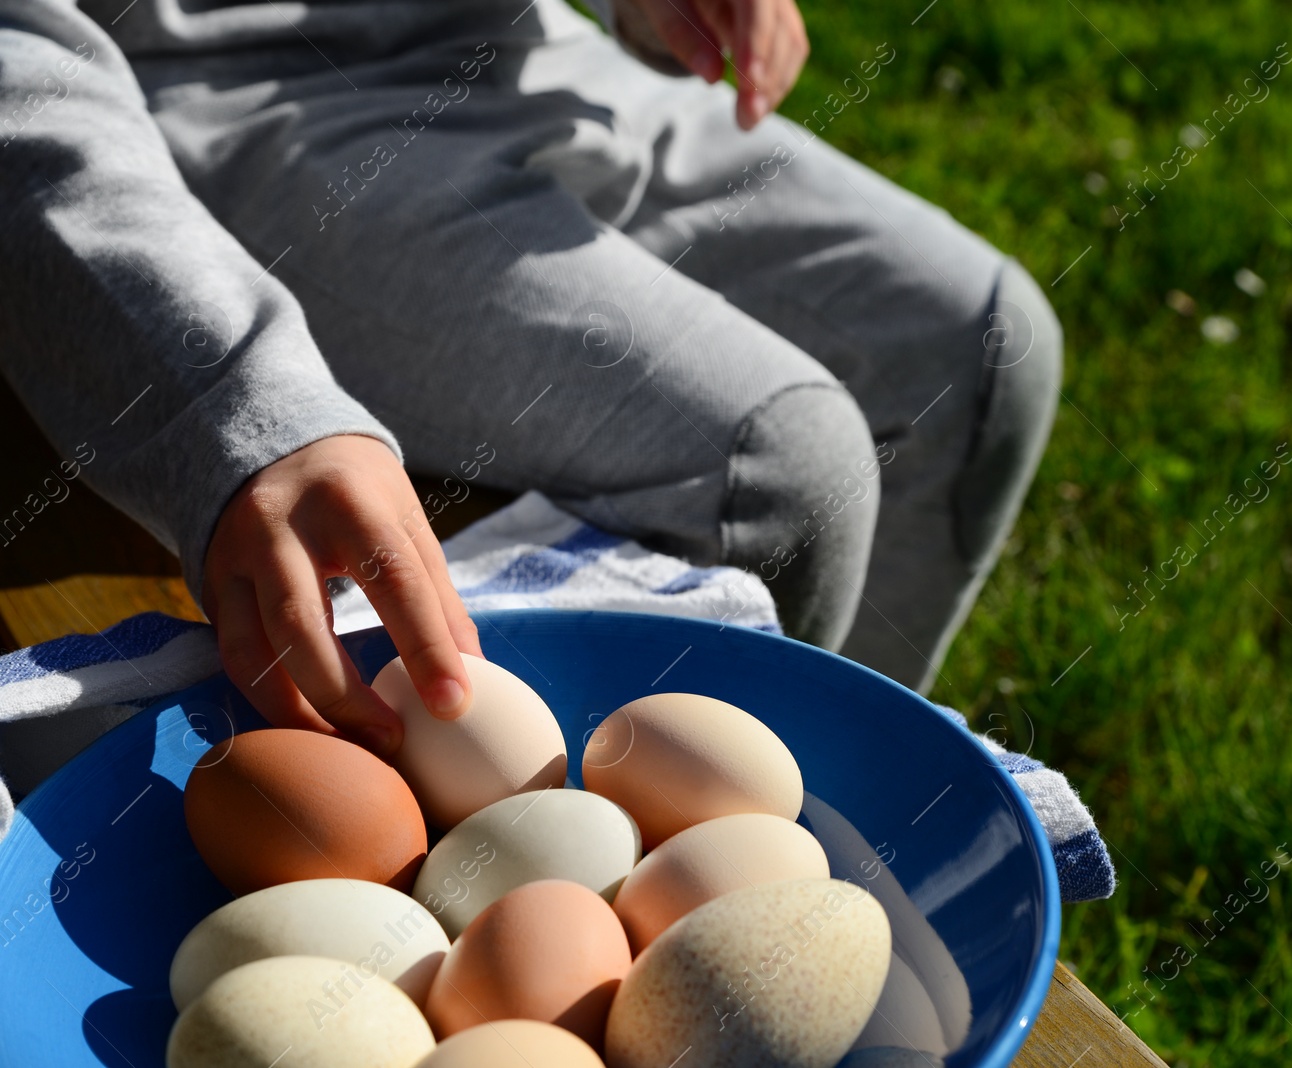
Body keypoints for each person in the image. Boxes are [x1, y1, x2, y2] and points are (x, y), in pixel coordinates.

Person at [0, 0, 1062, 756]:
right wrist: (228, 400)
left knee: (980, 341)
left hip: (511, 45)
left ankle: (839, 802)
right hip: (198, 101)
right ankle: (627, 923)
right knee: (777, 465)